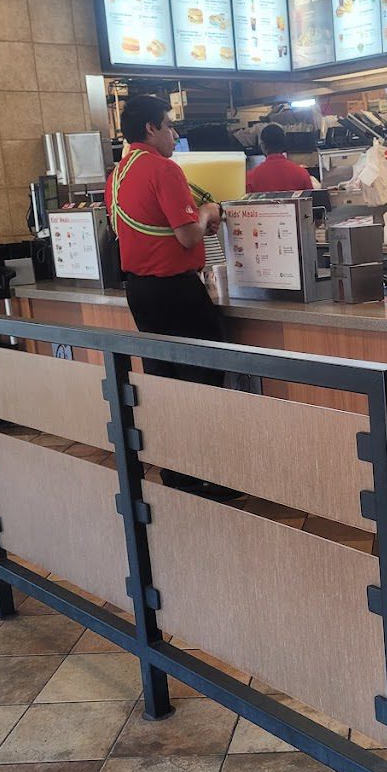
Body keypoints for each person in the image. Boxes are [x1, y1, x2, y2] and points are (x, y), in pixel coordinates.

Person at [105, 94, 234, 497]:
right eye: (170, 125)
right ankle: (211, 476)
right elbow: (189, 236)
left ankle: (177, 473)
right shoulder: (163, 169)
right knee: (202, 380)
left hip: (140, 292)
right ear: (151, 128)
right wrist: (209, 211)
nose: (175, 135)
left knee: (164, 382)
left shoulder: (118, 174)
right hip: (176, 291)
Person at [247, 123, 314, 193]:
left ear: (263, 146)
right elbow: (310, 198)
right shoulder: (302, 174)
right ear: (284, 144)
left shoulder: (251, 177)